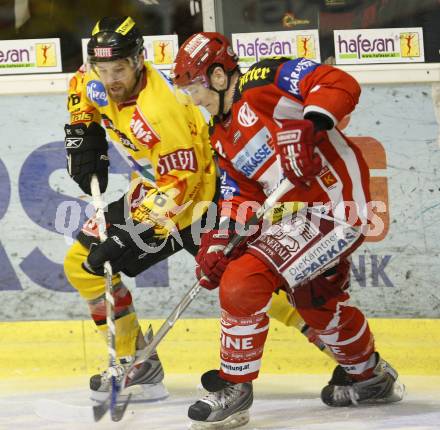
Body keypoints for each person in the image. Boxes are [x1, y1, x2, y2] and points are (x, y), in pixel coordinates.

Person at [63, 17, 330, 403]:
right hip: (155, 190)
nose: (110, 80)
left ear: (139, 60)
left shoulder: (159, 110)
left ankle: (355, 360)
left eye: (118, 69)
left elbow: (182, 183)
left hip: (201, 199)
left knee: (255, 290)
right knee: (84, 266)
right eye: (103, 70)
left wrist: (130, 232)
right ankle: (137, 364)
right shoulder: (96, 78)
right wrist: (82, 129)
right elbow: (80, 86)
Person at [172, 32, 405, 429]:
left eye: (194, 87)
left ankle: (235, 386)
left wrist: (311, 125)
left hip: (338, 203)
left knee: (243, 280)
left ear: (217, 76)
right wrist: (215, 244)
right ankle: (371, 377)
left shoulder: (263, 80)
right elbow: (238, 197)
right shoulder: (221, 137)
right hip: (299, 217)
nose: (193, 99)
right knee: (316, 303)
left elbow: (338, 83)